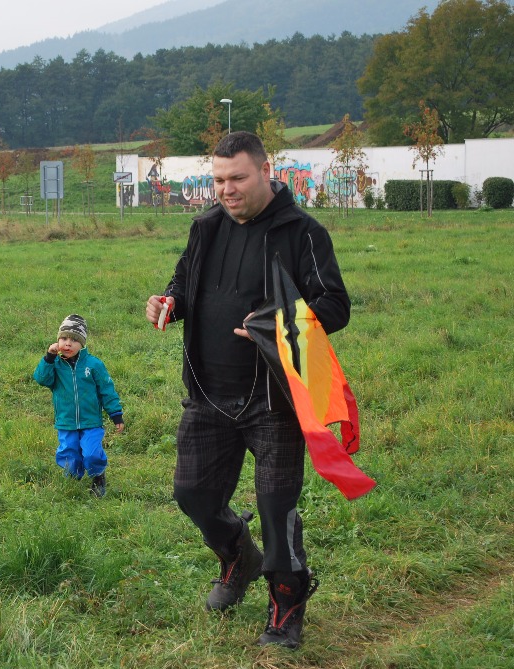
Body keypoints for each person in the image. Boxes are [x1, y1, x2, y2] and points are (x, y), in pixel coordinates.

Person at [144, 131, 350, 649]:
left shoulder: (302, 232)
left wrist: (280, 323)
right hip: (208, 393)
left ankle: (287, 602)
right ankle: (239, 556)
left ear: (265, 171)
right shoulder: (206, 227)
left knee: (277, 507)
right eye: (218, 180)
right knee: (192, 494)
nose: (226, 189)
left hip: (273, 399)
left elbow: (334, 304)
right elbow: (183, 282)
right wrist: (169, 302)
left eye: (237, 178)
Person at [33, 314, 125, 498]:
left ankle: (98, 476)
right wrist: (49, 358)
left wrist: (116, 414)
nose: (68, 344)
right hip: (66, 421)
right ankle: (72, 480)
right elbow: (42, 379)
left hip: (91, 421)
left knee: (91, 453)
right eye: (64, 339)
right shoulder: (55, 365)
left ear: (82, 344)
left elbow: (107, 390)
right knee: (69, 452)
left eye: (74, 340)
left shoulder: (93, 364)